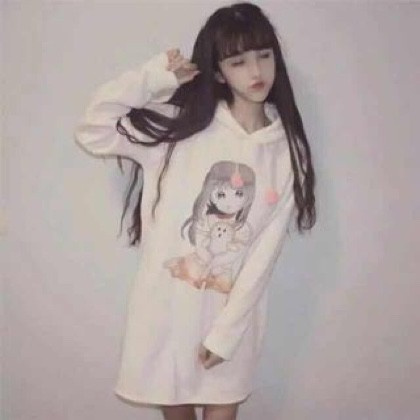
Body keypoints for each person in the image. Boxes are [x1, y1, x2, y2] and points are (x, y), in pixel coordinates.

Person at [74, 2, 316, 419]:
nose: (256, 71)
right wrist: (154, 78)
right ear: (218, 72)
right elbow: (93, 129)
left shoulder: (286, 150)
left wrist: (226, 335)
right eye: (238, 61)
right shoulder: (181, 128)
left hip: (231, 321)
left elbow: (263, 256)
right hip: (166, 315)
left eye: (264, 55)